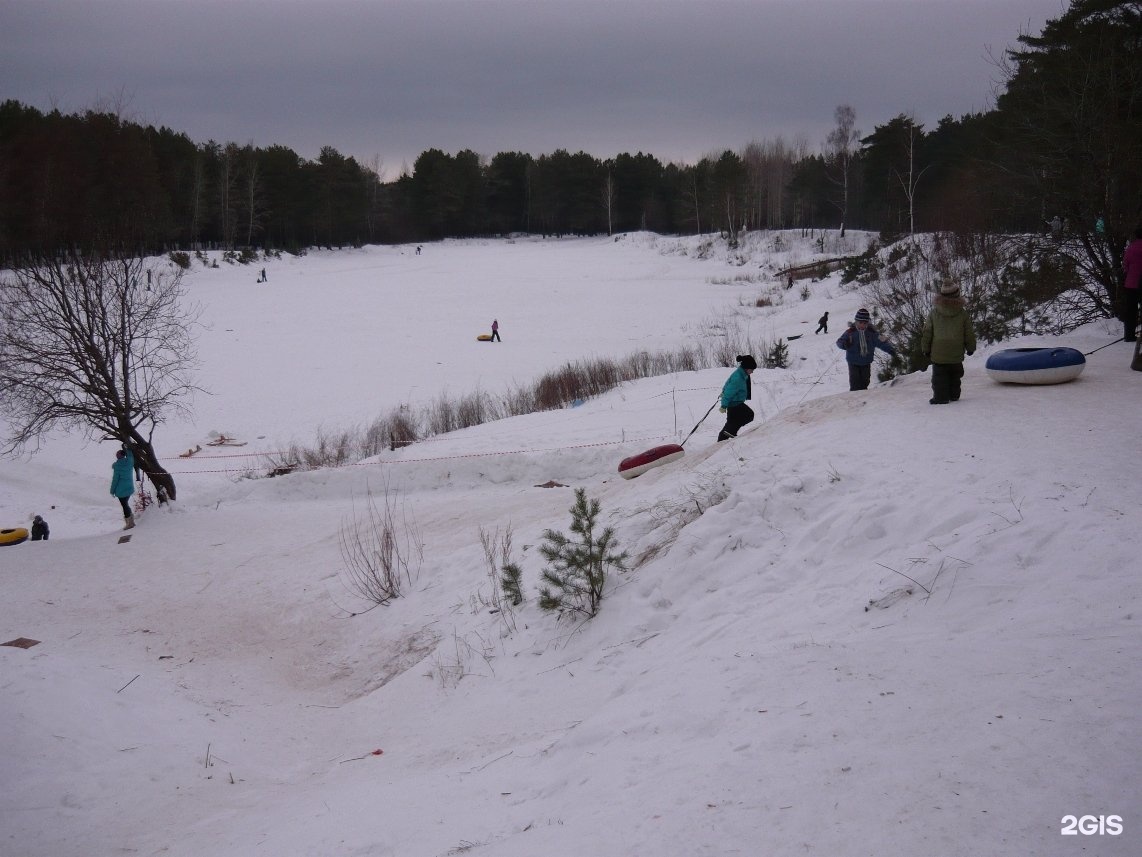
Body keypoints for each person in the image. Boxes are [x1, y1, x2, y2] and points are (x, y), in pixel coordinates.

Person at [920, 283, 977, 405]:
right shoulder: (962, 313)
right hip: (956, 352)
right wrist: (971, 347)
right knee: (955, 375)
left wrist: (925, 348)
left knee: (939, 377)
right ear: (957, 295)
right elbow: (969, 332)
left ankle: (941, 398)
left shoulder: (934, 313)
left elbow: (927, 332)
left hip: (938, 352)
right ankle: (954, 395)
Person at [836, 308, 896, 391]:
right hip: (853, 362)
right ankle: (854, 396)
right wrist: (845, 344)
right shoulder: (850, 332)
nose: (862, 325)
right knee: (855, 381)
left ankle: (864, 394)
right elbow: (839, 342)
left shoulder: (872, 333)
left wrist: (891, 350)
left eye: (865, 323)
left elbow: (881, 342)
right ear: (856, 322)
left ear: (868, 323)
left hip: (866, 362)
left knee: (865, 381)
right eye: (860, 323)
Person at [717, 354, 757, 442]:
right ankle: (729, 433)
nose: (752, 372)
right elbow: (729, 392)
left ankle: (728, 434)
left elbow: (727, 385)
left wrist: (723, 392)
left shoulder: (741, 374)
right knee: (749, 415)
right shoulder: (738, 378)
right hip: (734, 404)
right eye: (752, 369)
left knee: (732, 422)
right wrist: (723, 405)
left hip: (735, 403)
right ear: (747, 368)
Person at [1121, 227, 1142, 343]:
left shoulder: (1131, 247)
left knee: (1130, 311)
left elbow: (1125, 265)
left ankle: (1129, 335)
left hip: (1131, 283)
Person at [111, 446, 136, 530]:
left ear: (120, 455)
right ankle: (131, 521)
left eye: (117, 454)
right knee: (126, 504)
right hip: (129, 488)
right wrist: (128, 448)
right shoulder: (129, 461)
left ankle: (129, 523)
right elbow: (130, 455)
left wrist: (112, 490)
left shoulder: (117, 466)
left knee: (124, 505)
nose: (116, 455)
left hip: (121, 491)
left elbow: (115, 480)